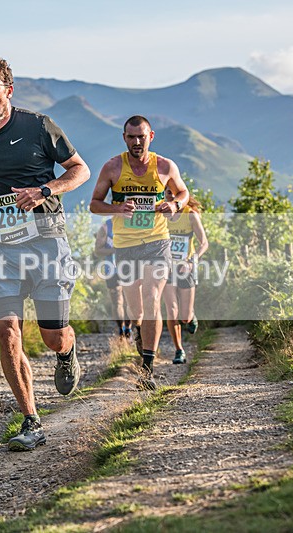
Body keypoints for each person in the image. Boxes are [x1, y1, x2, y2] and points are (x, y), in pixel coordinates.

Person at [0, 56, 90, 451]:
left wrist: (44, 190)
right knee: (7, 330)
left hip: (46, 240)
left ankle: (67, 350)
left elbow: (79, 169)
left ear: (8, 90)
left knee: (52, 336)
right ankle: (31, 420)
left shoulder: (37, 126)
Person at [89, 115, 189, 389]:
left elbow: (183, 193)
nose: (136, 142)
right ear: (124, 138)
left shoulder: (165, 166)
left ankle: (147, 368)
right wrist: (117, 209)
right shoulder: (112, 167)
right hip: (126, 246)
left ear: (151, 136)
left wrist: (175, 206)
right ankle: (141, 347)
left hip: (157, 241)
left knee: (153, 296)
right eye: (131, 137)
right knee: (137, 310)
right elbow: (94, 204)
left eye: (141, 137)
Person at [163, 189, 208, 364]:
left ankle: (191, 317)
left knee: (184, 317)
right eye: (168, 194)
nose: (171, 197)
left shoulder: (190, 216)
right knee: (171, 311)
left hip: (185, 268)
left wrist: (191, 261)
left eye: (175, 194)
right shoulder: (161, 215)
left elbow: (204, 243)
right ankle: (178, 350)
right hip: (165, 269)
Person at [93, 219, 131, 337]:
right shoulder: (106, 227)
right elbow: (97, 251)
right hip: (112, 269)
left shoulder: (134, 223)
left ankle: (128, 330)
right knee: (117, 301)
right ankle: (121, 330)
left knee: (130, 301)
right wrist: (114, 250)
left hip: (130, 268)